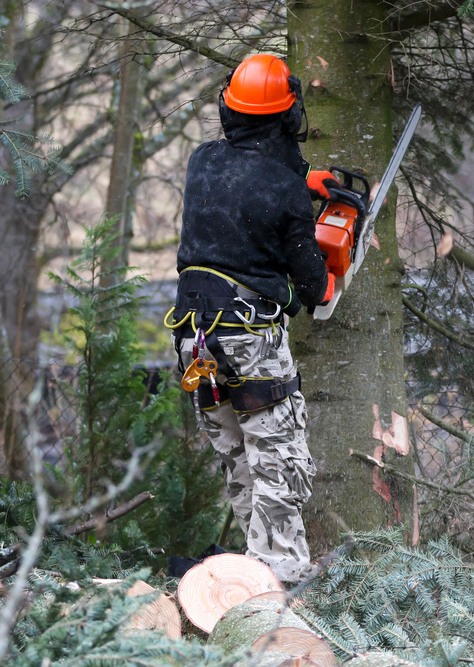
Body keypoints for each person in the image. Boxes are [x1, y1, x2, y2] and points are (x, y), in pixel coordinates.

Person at [169, 54, 340, 584]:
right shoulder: (283, 189)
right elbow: (314, 286)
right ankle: (284, 582)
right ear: (289, 118)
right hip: (250, 335)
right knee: (278, 456)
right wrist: (330, 274)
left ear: (230, 109)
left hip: (193, 334)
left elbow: (246, 178)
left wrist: (306, 182)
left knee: (238, 454)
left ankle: (252, 575)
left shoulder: (202, 160)